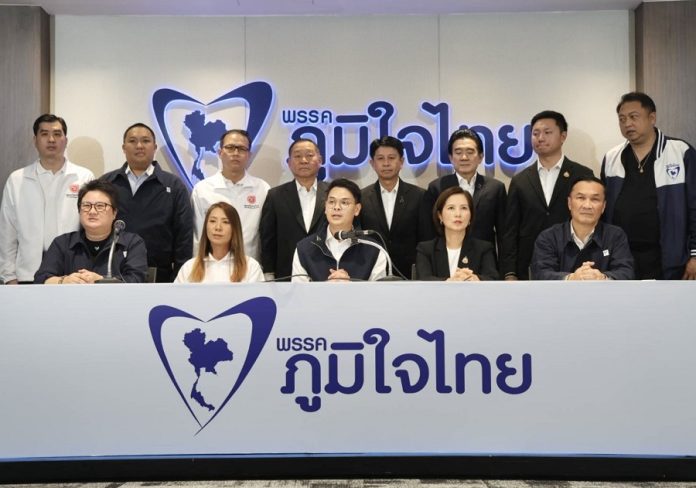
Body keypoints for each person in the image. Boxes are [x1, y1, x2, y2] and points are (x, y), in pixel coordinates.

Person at [601, 92, 696, 280]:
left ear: (652, 118)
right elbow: (603, 210)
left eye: (633, 117)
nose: (627, 124)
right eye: (622, 119)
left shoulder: (680, 152)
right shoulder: (612, 157)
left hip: (670, 257)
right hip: (622, 258)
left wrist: (695, 254)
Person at [0, 114, 94, 284]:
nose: (51, 140)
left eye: (57, 134)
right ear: (35, 140)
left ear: (66, 140)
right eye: (44, 134)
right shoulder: (17, 179)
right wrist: (9, 277)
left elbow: (92, 227)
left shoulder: (84, 177)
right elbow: (7, 232)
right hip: (27, 275)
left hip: (73, 275)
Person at [501, 111, 594, 280]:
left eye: (547, 132)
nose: (540, 138)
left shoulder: (582, 174)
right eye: (535, 133)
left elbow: (593, 220)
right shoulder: (520, 180)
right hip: (529, 265)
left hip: (575, 263)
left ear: (563, 136)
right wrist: (510, 272)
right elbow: (510, 231)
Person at [102, 122, 193, 282]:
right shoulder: (107, 183)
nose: (139, 146)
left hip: (160, 277)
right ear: (123, 147)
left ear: (155, 147)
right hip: (111, 273)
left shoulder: (173, 186)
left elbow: (184, 238)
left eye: (145, 141)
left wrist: (179, 280)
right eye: (132, 141)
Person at [34, 179, 147, 284]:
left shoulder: (132, 243)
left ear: (114, 213)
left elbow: (136, 280)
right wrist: (64, 281)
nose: (92, 211)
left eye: (100, 206)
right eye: (86, 205)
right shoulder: (63, 243)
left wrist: (101, 280)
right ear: (79, 211)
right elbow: (41, 279)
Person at [531, 177, 634, 280]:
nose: (587, 205)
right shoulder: (549, 237)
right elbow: (541, 273)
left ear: (603, 206)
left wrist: (602, 278)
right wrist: (571, 278)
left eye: (595, 199)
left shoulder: (615, 236)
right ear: (569, 203)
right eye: (581, 198)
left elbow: (626, 272)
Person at [191, 129, 269, 263]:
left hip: (250, 267)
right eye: (230, 148)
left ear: (249, 155)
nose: (236, 153)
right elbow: (197, 236)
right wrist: (198, 267)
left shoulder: (262, 189)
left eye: (242, 149)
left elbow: (267, 236)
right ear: (220, 152)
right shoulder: (202, 189)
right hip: (211, 266)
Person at [425, 128, 506, 256]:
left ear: (480, 157)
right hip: (446, 259)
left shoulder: (495, 188)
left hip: (484, 259)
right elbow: (429, 232)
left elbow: (504, 234)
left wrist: (507, 267)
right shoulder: (437, 187)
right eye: (458, 152)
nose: (464, 157)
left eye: (470, 152)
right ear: (451, 157)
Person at [359, 136, 430, 279]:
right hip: (372, 273)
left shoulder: (419, 196)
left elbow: (426, 239)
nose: (386, 163)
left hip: (410, 274)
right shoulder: (361, 197)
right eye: (380, 158)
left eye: (391, 158)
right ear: (372, 163)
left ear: (401, 161)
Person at [292, 178, 387, 282]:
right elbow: (298, 291)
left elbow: (379, 291)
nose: (336, 207)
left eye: (344, 202)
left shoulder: (374, 249)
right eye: (331, 202)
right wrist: (324, 288)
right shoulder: (304, 249)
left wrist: (350, 287)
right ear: (325, 207)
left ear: (357, 209)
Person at [260, 138, 328, 281]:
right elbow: (268, 238)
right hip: (287, 275)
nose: (303, 160)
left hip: (327, 272)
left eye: (309, 155)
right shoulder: (275, 196)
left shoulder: (332, 193)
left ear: (320, 160)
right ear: (289, 163)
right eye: (297, 156)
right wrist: (268, 272)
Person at [416, 186, 498, 281]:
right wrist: (450, 282)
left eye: (464, 208)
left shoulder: (483, 249)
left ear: (471, 215)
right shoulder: (426, 250)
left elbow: (492, 278)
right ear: (440, 215)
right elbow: (424, 279)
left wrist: (475, 279)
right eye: (451, 208)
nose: (458, 214)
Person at [175, 202, 263, 283]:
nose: (218, 227)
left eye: (225, 222)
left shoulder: (251, 267)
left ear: (235, 229)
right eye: (212, 221)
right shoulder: (189, 268)